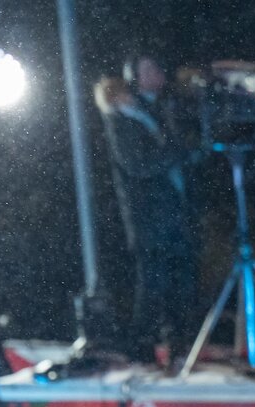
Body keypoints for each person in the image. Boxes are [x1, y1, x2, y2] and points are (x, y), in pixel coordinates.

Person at [96, 71, 196, 364]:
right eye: (124, 93)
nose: (131, 96)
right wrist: (176, 153)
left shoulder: (145, 119)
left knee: (173, 280)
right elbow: (139, 165)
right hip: (148, 218)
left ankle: (172, 339)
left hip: (165, 213)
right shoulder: (121, 124)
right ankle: (142, 343)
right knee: (153, 284)